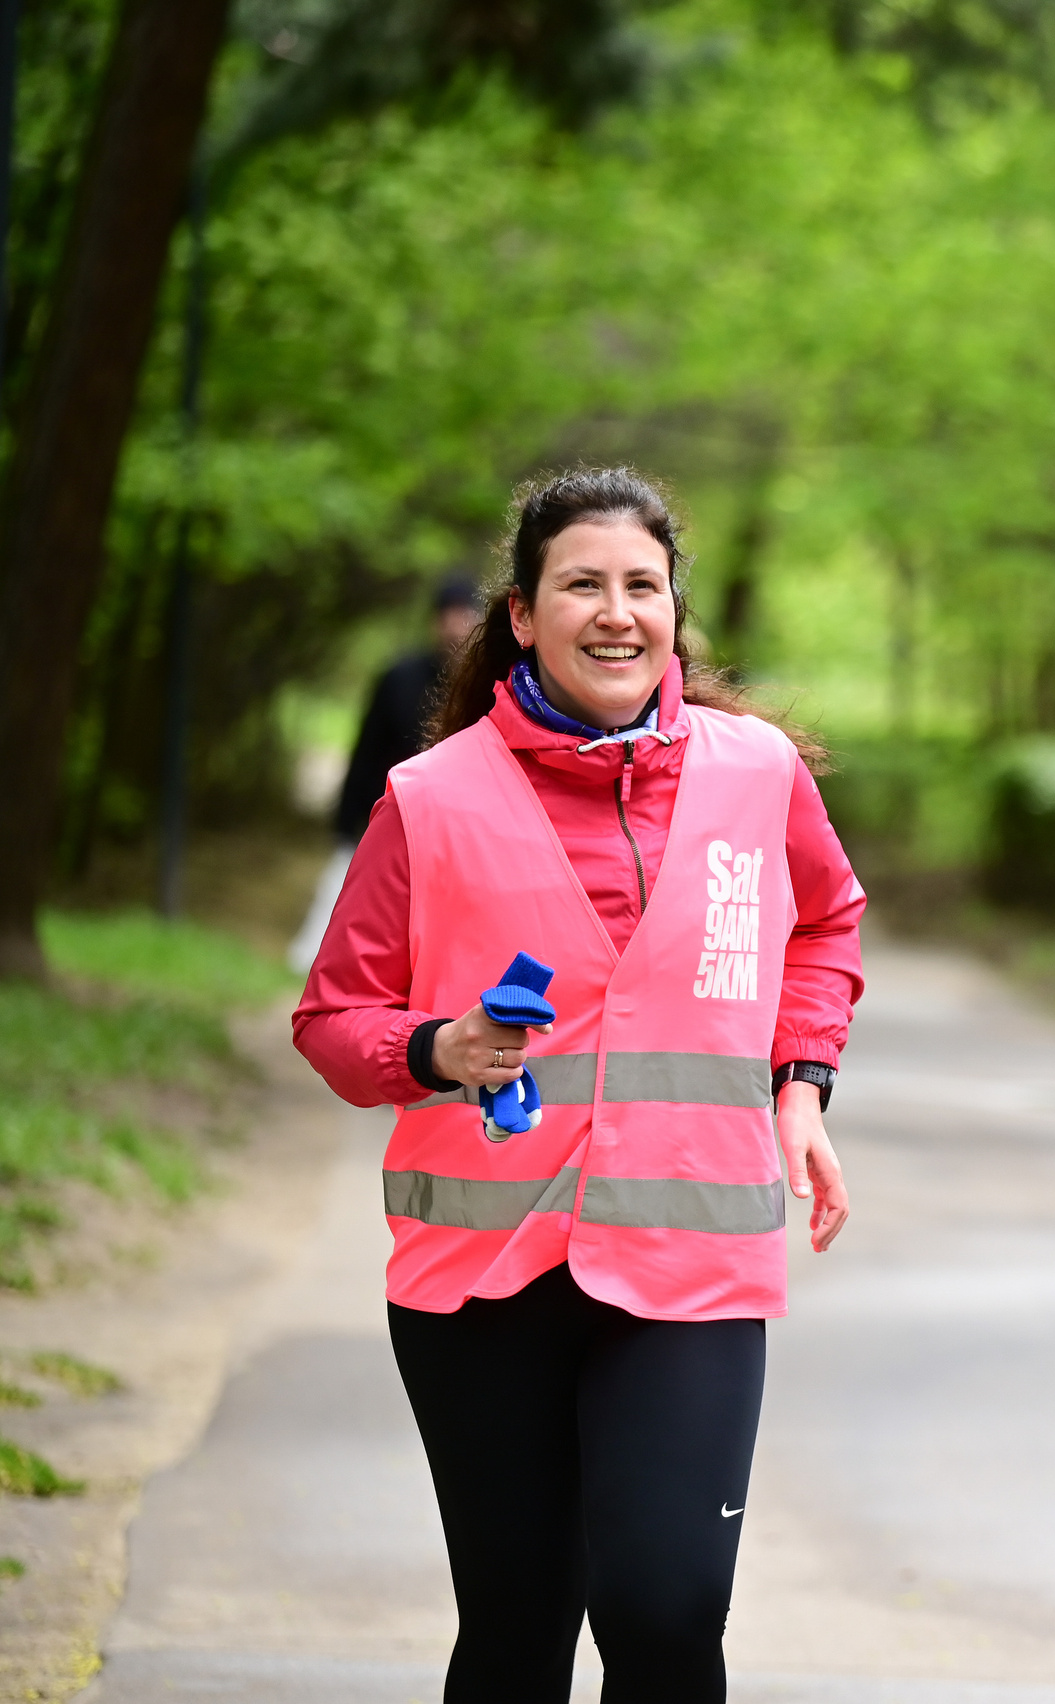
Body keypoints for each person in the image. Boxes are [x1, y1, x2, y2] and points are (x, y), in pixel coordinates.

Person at [293, 467, 866, 1704]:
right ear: (523, 615)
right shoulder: (430, 797)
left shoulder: (757, 773)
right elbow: (334, 1018)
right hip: (481, 1279)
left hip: (690, 1266)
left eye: (642, 586)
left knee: (666, 1614)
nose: (617, 612)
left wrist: (801, 1082)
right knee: (515, 1630)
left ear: (674, 610)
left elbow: (827, 926)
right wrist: (434, 1050)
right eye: (582, 585)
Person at [287, 575, 484, 972]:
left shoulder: (488, 682)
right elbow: (368, 747)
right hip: (387, 809)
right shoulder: (399, 678)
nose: (455, 625)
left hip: (457, 824)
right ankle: (318, 961)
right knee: (350, 890)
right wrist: (348, 816)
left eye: (466, 615)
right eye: (449, 614)